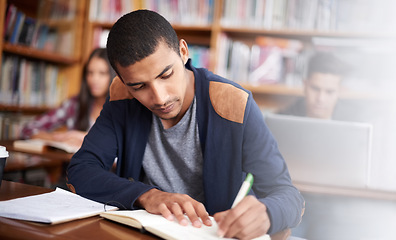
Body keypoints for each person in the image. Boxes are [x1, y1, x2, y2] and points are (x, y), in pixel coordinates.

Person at [66, 10, 304, 239]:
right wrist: (147, 195)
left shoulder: (234, 103)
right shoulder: (122, 98)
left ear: (183, 51)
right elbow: (82, 169)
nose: (159, 98)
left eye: (166, 75)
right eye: (139, 86)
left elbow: (288, 195)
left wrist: (268, 213)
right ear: (122, 80)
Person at [21, 48, 116, 148]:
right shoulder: (74, 104)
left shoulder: (122, 109)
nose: (94, 79)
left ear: (114, 76)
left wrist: (81, 137)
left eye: (102, 73)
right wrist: (60, 139)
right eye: (90, 73)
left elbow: (121, 147)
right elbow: (28, 129)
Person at [279, 52, 345, 119]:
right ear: (305, 85)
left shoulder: (353, 120)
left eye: (329, 92)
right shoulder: (281, 119)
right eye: (315, 89)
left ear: (340, 91)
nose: (320, 99)